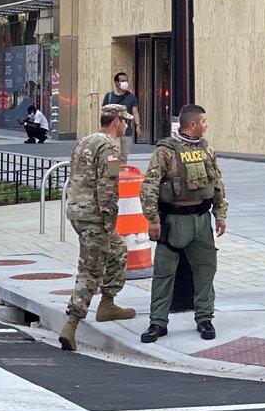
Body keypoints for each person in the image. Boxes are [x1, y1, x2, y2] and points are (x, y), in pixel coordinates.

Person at [138, 103, 228, 344]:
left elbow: (217, 183)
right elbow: (149, 187)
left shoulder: (206, 149)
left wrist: (220, 214)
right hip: (173, 222)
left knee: (206, 270)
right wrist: (153, 220)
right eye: (204, 121)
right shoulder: (166, 151)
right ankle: (157, 322)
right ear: (193, 124)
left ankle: (205, 318)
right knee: (164, 273)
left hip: (201, 221)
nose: (207, 125)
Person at [59, 103, 137, 351]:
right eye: (124, 121)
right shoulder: (109, 146)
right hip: (94, 216)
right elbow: (108, 186)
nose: (126, 125)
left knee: (118, 249)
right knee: (91, 269)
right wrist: (109, 218)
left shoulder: (85, 141)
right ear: (116, 121)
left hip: (77, 211)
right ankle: (71, 324)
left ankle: (108, 304)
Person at [102, 72, 141, 161]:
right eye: (123, 81)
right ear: (116, 83)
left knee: (123, 156)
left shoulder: (131, 97)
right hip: (112, 131)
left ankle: (122, 174)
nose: (125, 83)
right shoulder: (109, 97)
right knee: (112, 155)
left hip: (126, 131)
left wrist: (138, 125)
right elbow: (104, 112)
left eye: (126, 81)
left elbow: (135, 112)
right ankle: (112, 173)